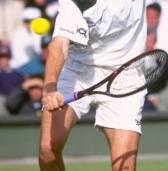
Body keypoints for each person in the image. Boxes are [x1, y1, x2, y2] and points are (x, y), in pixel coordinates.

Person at [39, 1, 147, 171]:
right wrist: (50, 89)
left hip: (125, 75)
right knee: (48, 150)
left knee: (124, 168)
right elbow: (59, 45)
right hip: (77, 69)